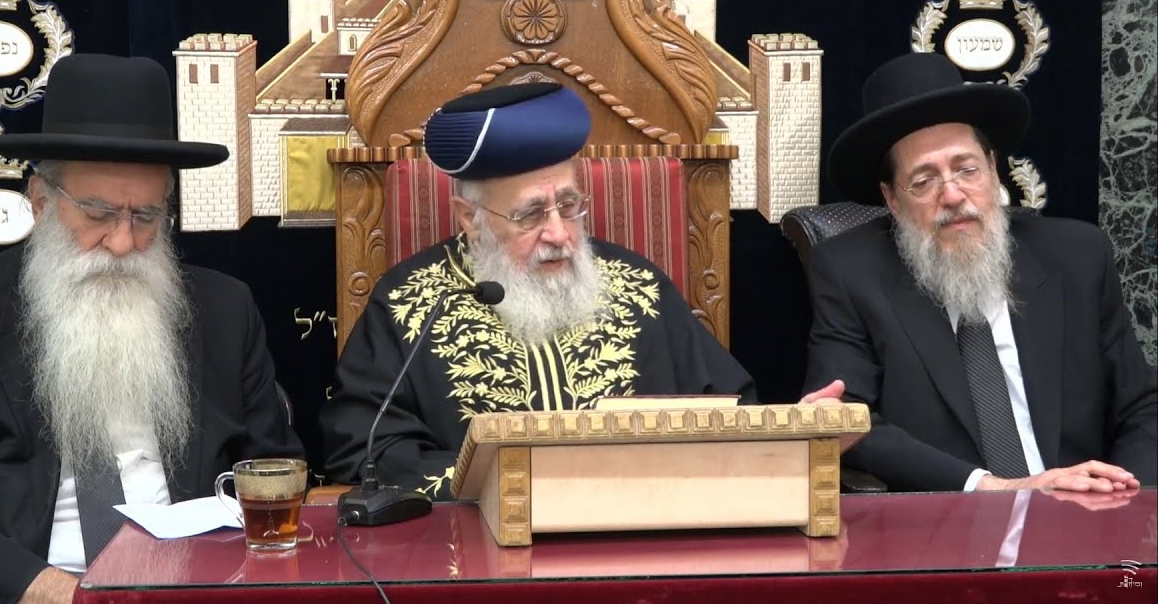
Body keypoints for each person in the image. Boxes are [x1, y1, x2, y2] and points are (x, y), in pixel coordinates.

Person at [0, 54, 303, 604]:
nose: (123, 243)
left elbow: (274, 471)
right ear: (41, 202)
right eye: (98, 214)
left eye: (145, 217)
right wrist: (61, 593)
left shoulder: (226, 310)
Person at [321, 82, 843, 497]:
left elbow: (727, 411)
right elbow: (364, 447)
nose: (559, 234)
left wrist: (797, 436)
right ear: (470, 218)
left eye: (569, 206)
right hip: (478, 552)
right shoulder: (411, 301)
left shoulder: (638, 285)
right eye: (531, 214)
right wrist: (503, 481)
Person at [805, 52, 1156, 493]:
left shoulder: (1079, 256)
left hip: (1082, 513)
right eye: (924, 181)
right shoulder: (849, 273)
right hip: (949, 520)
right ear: (892, 198)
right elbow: (845, 419)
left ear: (992, 169)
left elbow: (1142, 406)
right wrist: (996, 488)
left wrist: (1125, 498)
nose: (953, 195)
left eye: (966, 169)